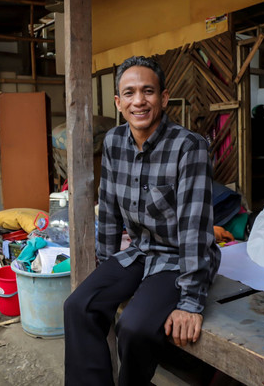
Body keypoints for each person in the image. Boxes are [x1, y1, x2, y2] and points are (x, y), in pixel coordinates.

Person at [64, 56, 221, 385]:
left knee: (133, 328)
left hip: (179, 258)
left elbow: (195, 229)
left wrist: (191, 303)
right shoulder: (113, 142)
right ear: (119, 102)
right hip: (140, 251)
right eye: (130, 93)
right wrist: (110, 272)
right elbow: (107, 207)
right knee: (79, 306)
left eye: (148, 91)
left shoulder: (189, 147)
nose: (139, 101)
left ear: (163, 98)